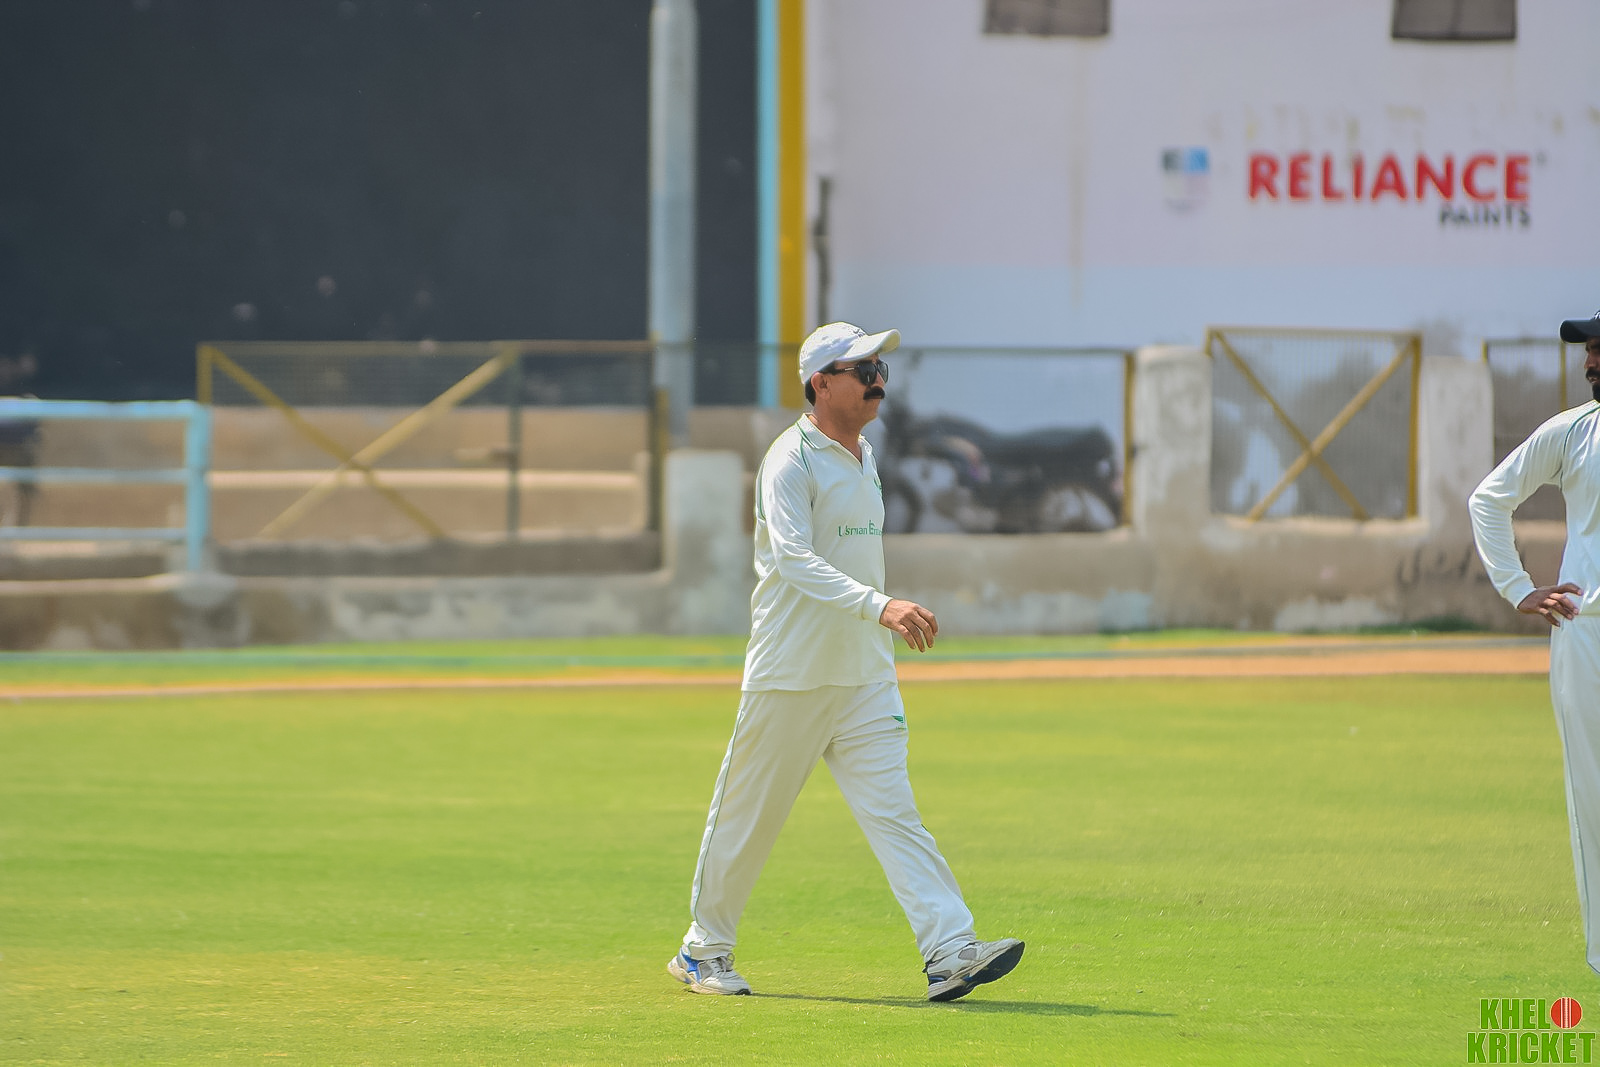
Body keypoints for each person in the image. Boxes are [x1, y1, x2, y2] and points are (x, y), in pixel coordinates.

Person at [667, 322, 1024, 1002]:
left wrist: (874, 621)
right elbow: (794, 560)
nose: (877, 380)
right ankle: (702, 950)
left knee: (896, 816)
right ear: (820, 383)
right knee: (747, 819)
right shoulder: (790, 460)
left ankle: (949, 949)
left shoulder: (865, 455)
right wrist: (879, 606)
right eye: (862, 369)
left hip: (863, 676)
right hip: (791, 673)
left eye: (880, 367)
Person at [1468, 309, 1600, 973]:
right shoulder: (1574, 431)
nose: (1591, 363)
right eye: (1590, 351)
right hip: (1588, 633)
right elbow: (1488, 499)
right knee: (1594, 795)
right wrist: (1518, 586)